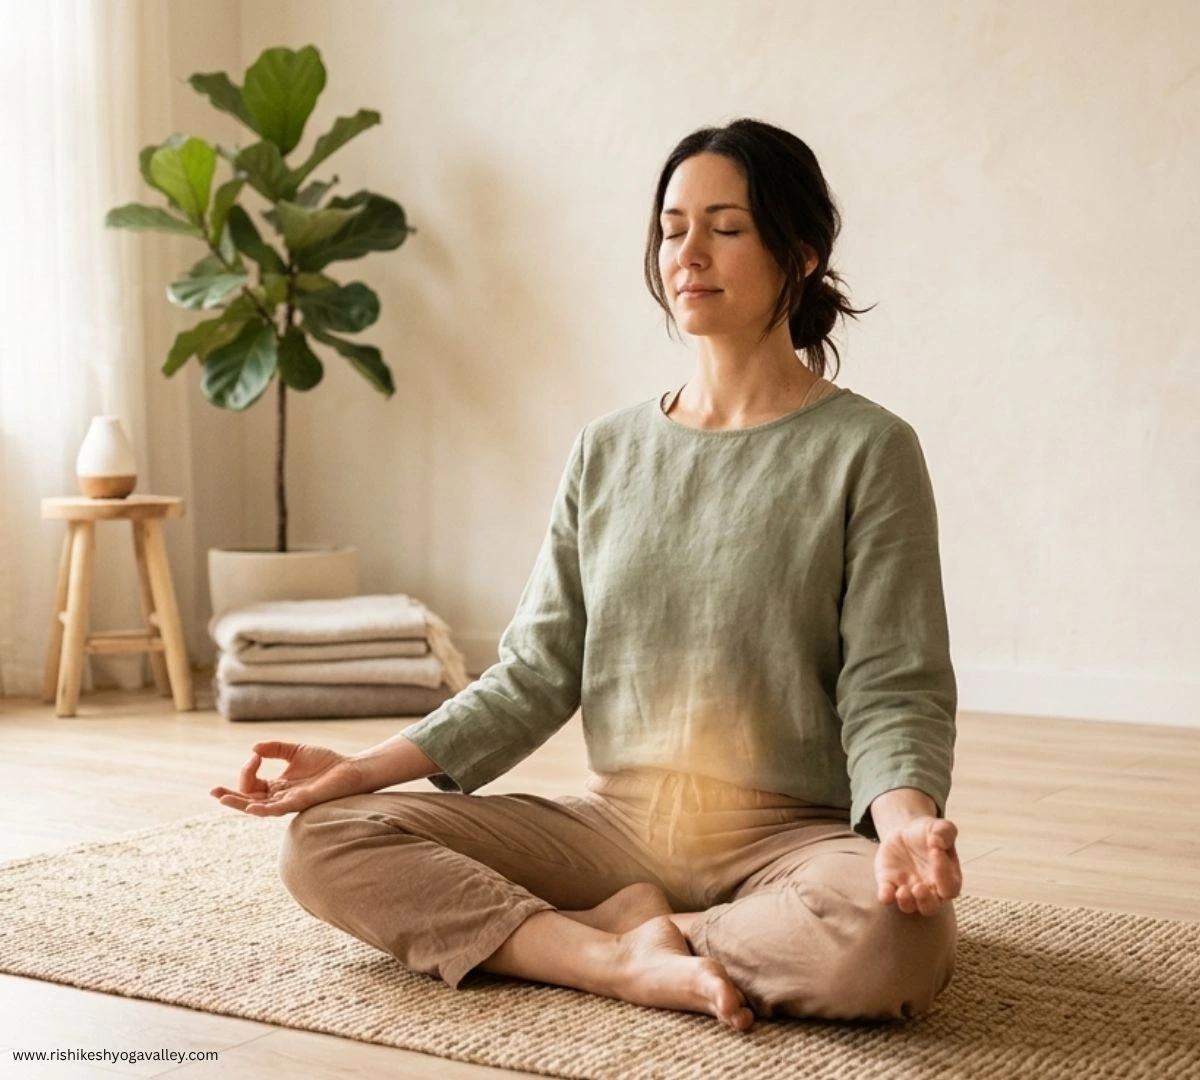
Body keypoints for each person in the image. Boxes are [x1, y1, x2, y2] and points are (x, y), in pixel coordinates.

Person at [211, 117, 963, 1033]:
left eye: (725, 228)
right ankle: (609, 957)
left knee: (893, 939)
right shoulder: (607, 450)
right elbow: (534, 672)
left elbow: (892, 683)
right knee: (324, 840)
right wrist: (362, 769)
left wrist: (904, 823)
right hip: (619, 827)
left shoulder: (869, 450)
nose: (688, 252)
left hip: (792, 836)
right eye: (671, 226)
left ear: (799, 254)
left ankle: (644, 932)